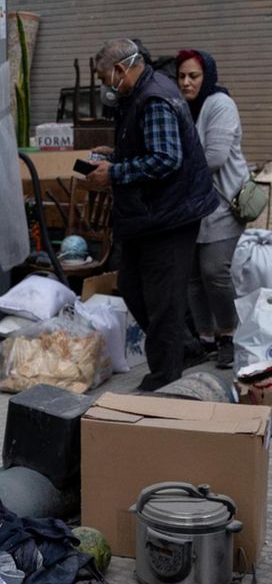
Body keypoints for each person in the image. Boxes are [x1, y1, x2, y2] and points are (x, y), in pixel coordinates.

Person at [83, 38, 218, 391]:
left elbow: (166, 160)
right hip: (152, 214)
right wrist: (115, 155)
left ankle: (164, 379)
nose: (104, 87)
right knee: (133, 288)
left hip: (170, 215)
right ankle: (185, 349)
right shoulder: (140, 94)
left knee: (162, 302)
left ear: (120, 70)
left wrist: (112, 174)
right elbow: (151, 148)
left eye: (104, 78)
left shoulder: (154, 97)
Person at [176, 49, 247, 369]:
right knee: (192, 276)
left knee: (214, 271)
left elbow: (215, 158)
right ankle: (205, 340)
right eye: (181, 76)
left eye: (194, 76)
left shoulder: (219, 104)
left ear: (208, 76)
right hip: (191, 207)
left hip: (222, 204)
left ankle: (228, 335)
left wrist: (169, 167)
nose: (187, 82)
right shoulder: (183, 108)